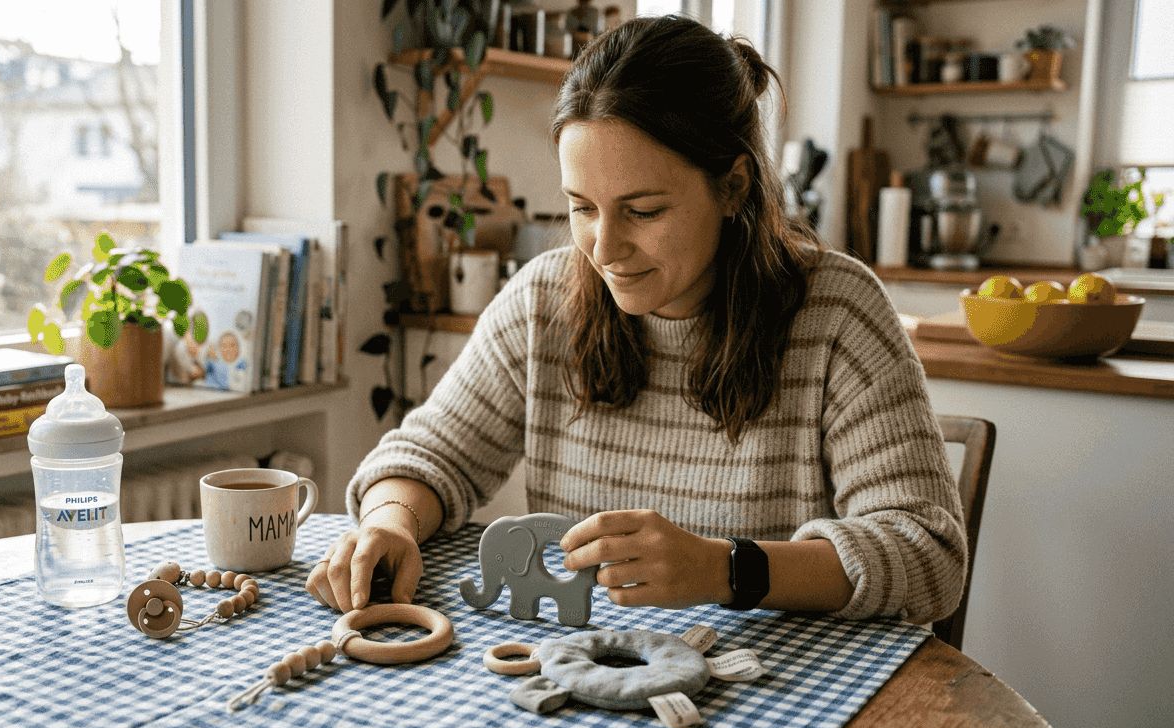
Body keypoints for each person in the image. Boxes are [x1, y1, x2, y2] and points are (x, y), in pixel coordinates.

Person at [308, 15, 965, 625]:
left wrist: (725, 567)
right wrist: (389, 524)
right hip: (586, 681)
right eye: (582, 207)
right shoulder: (543, 300)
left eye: (643, 210)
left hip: (776, 700)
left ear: (733, 186)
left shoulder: (837, 313)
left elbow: (929, 556)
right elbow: (428, 454)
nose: (603, 248)